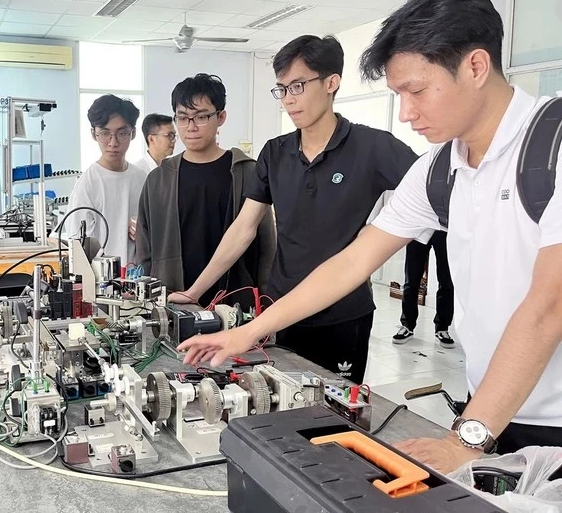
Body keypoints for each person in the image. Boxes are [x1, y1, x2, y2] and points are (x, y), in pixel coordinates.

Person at [178, 0, 562, 473]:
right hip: (492, 406)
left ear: (475, 66)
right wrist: (248, 332)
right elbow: (354, 260)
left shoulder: (551, 150)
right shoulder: (439, 169)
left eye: (417, 90)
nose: (406, 113)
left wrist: (469, 436)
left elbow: (549, 306)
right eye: (398, 94)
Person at [170, 36, 418, 383]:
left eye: (298, 86)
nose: (288, 99)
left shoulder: (373, 146)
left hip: (343, 314)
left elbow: (427, 195)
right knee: (280, 401)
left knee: (335, 415)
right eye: (282, 89)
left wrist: (380, 231)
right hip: (281, 310)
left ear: (331, 83)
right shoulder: (275, 152)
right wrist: (195, 292)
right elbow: (243, 229)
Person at [135, 74, 276, 308]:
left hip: (235, 302)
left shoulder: (247, 173)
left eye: (201, 116)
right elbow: (145, 249)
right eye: (183, 118)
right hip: (174, 300)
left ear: (220, 117)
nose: (191, 127)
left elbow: (267, 248)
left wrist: (266, 304)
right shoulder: (159, 179)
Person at [68, 95, 146, 265]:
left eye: (122, 133)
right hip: (101, 283)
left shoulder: (142, 179)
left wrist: (144, 231)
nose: (113, 142)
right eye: (105, 133)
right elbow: (78, 247)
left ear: (132, 133)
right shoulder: (87, 185)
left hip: (138, 278)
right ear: (93, 134)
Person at [394, 230, 455, 348]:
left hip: (444, 227)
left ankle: (442, 328)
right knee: (411, 280)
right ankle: (407, 325)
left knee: (446, 281)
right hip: (420, 226)